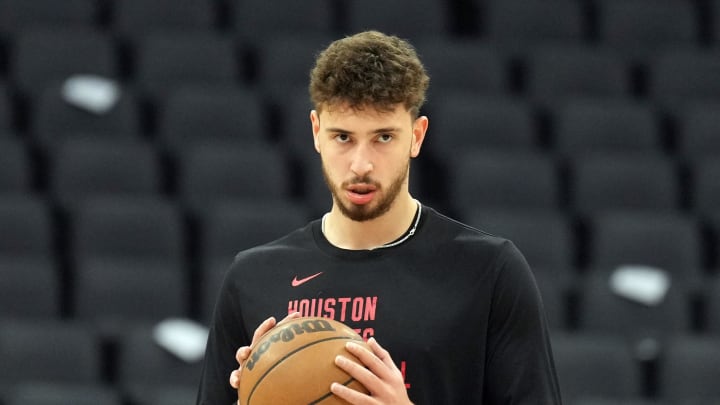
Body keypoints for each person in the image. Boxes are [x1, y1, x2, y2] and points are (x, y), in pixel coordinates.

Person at [196, 30, 562, 405]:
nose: (361, 165)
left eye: (383, 137)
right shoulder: (252, 277)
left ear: (416, 137)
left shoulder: (490, 271)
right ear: (316, 132)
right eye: (343, 137)